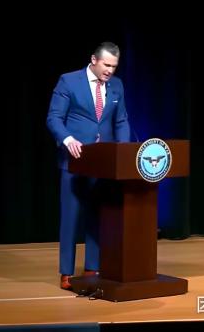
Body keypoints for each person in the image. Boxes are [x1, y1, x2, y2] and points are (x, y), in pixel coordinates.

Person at [46, 41, 131, 290]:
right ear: (94, 60)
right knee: (70, 218)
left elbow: (121, 120)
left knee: (97, 216)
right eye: (106, 65)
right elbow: (54, 118)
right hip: (74, 162)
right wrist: (67, 139)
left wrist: (123, 150)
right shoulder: (68, 81)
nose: (110, 71)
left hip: (103, 163)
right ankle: (66, 272)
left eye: (114, 66)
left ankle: (93, 267)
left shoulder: (117, 85)